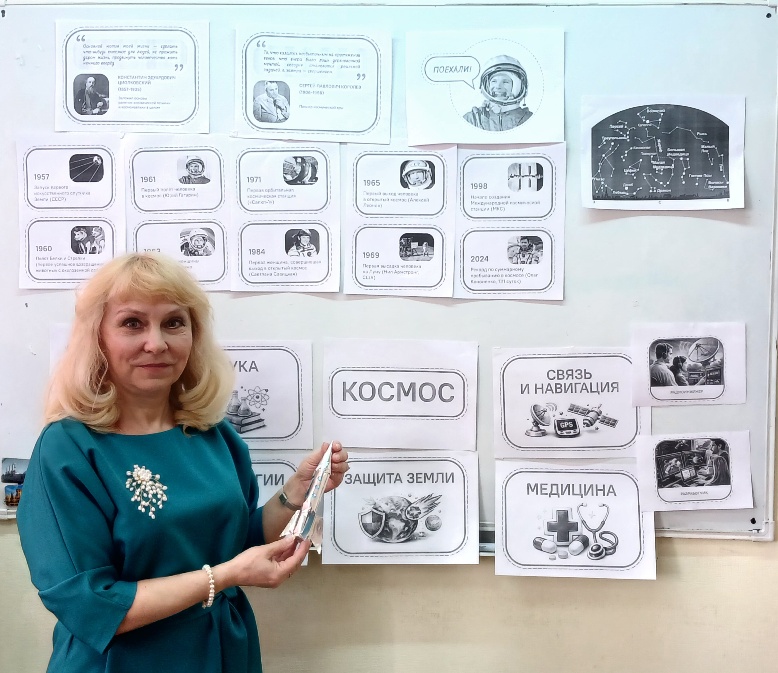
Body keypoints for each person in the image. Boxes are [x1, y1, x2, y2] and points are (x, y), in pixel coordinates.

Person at [17, 253, 349, 673]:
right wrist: (222, 578)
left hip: (226, 649)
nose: (156, 343)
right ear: (97, 338)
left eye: (174, 322)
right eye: (132, 323)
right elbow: (90, 604)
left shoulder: (215, 434)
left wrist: (294, 493)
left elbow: (237, 542)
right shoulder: (67, 449)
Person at [463, 55, 533, 132]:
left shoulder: (530, 119)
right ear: (487, 86)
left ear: (517, 87)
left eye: (505, 82)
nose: (498, 86)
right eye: (494, 81)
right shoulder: (473, 119)